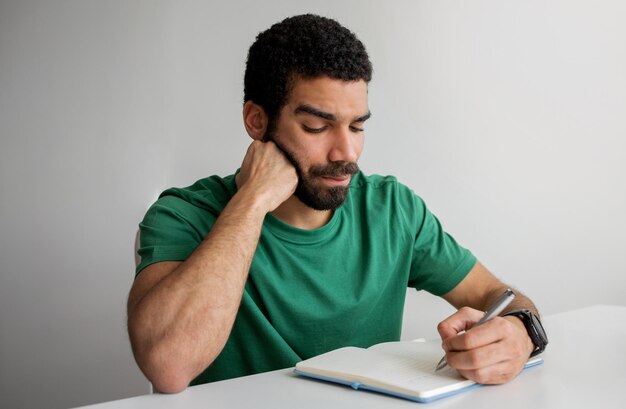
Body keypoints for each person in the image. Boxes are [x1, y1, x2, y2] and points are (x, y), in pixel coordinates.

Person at [127, 14, 546, 394]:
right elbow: (168, 366)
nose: (346, 153)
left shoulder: (392, 209)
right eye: (317, 126)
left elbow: (500, 295)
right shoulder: (182, 217)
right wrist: (251, 201)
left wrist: (521, 331)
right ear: (257, 121)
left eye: (357, 126)